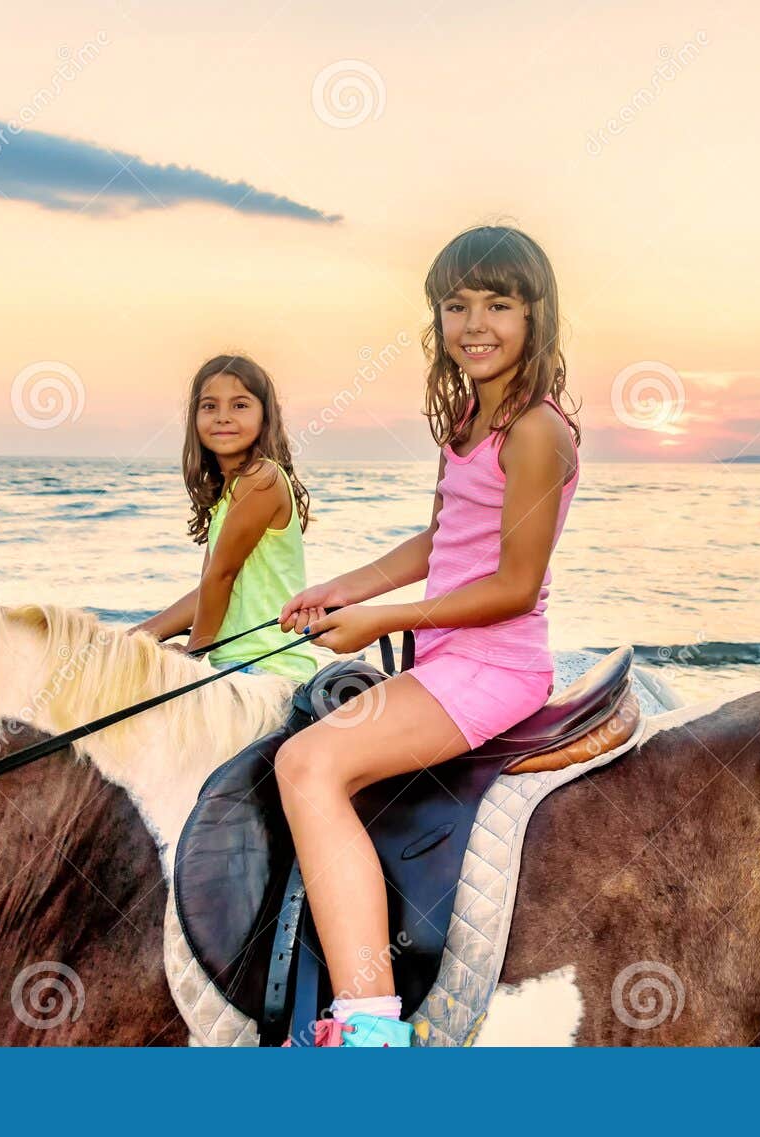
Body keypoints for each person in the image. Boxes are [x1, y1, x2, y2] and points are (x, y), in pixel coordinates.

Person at [277, 226, 581, 1046]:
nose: (474, 323)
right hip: (451, 656)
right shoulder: (473, 419)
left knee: (307, 764)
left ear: (536, 314)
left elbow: (515, 584)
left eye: (498, 303)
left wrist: (381, 621)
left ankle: (372, 1026)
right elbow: (440, 543)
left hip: (495, 665)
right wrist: (346, 588)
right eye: (457, 304)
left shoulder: (535, 432)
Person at [131, 354, 318, 684]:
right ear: (194, 418)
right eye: (209, 406)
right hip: (233, 666)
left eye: (240, 405)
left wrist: (192, 656)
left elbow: (222, 576)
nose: (223, 417)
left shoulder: (261, 478)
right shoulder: (227, 496)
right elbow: (208, 588)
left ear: (265, 417)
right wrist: (137, 637)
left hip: (267, 670)